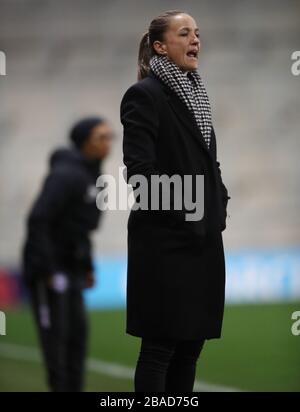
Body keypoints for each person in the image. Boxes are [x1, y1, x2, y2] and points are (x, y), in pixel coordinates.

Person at [120, 10, 230, 392]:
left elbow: (208, 163)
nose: (195, 40)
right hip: (165, 243)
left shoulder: (197, 92)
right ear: (160, 47)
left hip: (203, 241)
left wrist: (218, 206)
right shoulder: (144, 95)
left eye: (197, 33)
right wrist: (187, 213)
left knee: (190, 349)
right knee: (159, 349)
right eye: (184, 33)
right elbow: (138, 173)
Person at [22, 117, 113, 391]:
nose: (108, 143)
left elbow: (81, 230)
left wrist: (87, 266)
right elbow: (38, 220)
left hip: (73, 269)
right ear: (84, 140)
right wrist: (48, 271)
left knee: (77, 340)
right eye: (101, 137)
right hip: (50, 272)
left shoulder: (97, 178)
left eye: (110, 137)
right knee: (57, 345)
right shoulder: (65, 175)